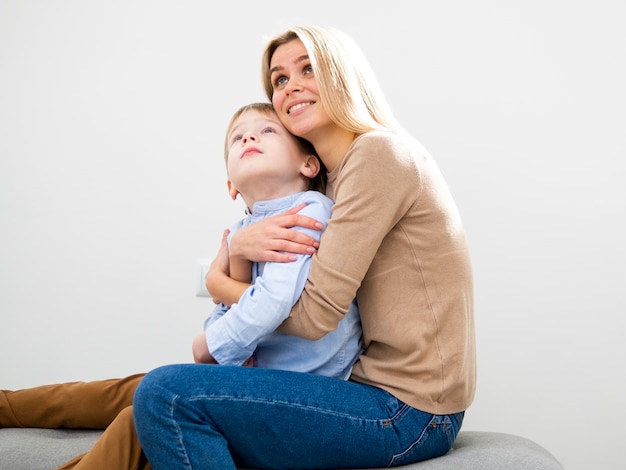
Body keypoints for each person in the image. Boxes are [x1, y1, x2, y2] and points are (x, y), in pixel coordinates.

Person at [133, 24, 476, 470]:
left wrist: (220, 280)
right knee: (147, 394)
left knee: (167, 395)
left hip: (410, 411)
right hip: (367, 388)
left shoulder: (377, 156)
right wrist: (239, 252)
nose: (290, 86)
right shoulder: (326, 182)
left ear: (340, 75)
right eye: (278, 79)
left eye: (307, 69)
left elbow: (315, 316)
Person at [0, 101, 362, 470]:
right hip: (258, 382)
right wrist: (231, 275)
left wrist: (208, 345)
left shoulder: (309, 211)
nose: (249, 136)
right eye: (238, 137)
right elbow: (224, 316)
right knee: (136, 407)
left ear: (308, 164)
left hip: (302, 389)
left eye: (267, 131)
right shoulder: (239, 232)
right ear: (230, 185)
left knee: (145, 407)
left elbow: (273, 303)